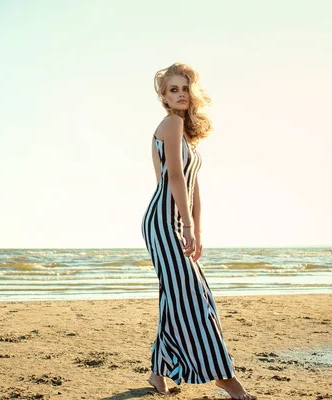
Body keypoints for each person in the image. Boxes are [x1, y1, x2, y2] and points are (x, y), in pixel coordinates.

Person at [140, 62, 257, 400]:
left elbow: (194, 185)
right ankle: (225, 379)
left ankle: (157, 372)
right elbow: (172, 179)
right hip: (164, 222)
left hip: (175, 220)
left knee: (178, 296)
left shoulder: (185, 133)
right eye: (173, 89)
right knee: (192, 297)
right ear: (163, 96)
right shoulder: (171, 123)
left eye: (185, 89)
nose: (180, 95)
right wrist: (185, 225)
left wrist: (197, 228)